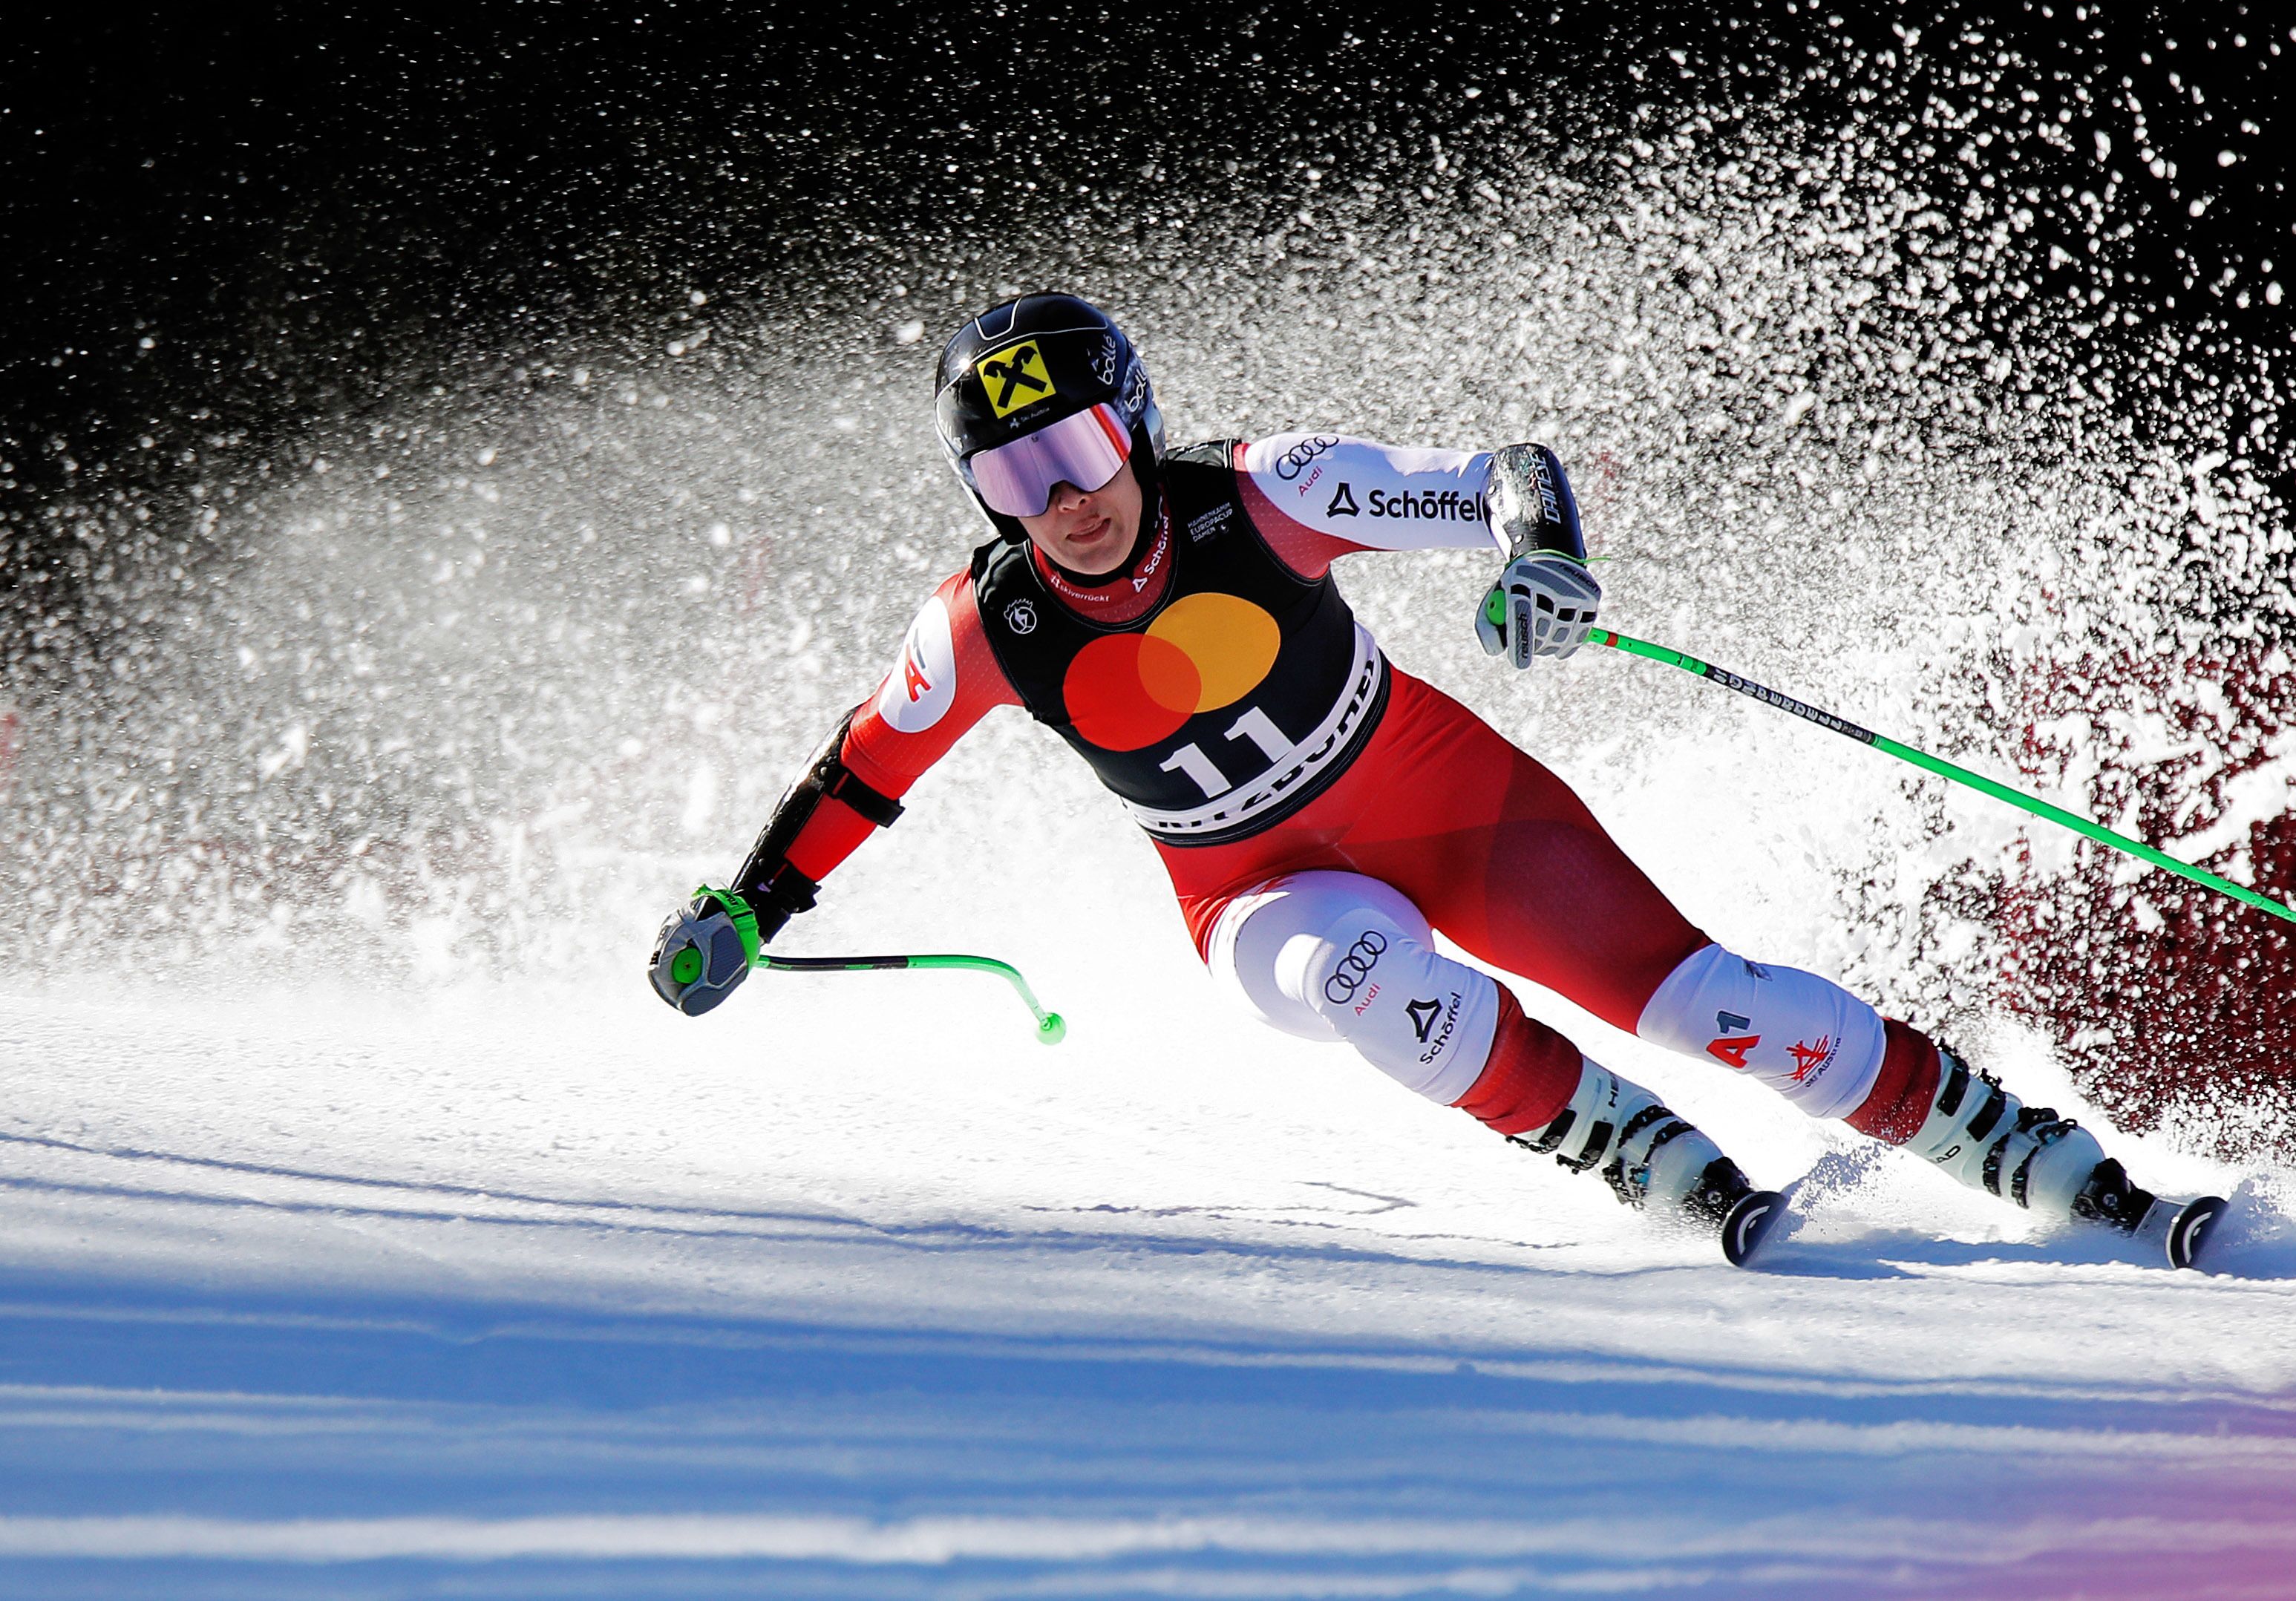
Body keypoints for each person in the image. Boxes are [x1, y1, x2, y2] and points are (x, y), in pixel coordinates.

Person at [650, 292, 2209, 1266]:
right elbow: (863, 770)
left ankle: (2036, 1159)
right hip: (1251, 887)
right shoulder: (984, 622)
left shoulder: (1263, 491)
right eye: (1005, 480)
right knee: (1360, 975)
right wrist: (749, 903)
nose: (1051, 502)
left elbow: (1502, 480)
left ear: (1132, 422)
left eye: (1068, 452)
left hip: (1443, 795)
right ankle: (1622, 1146)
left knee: (1712, 1000)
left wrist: (1548, 565)